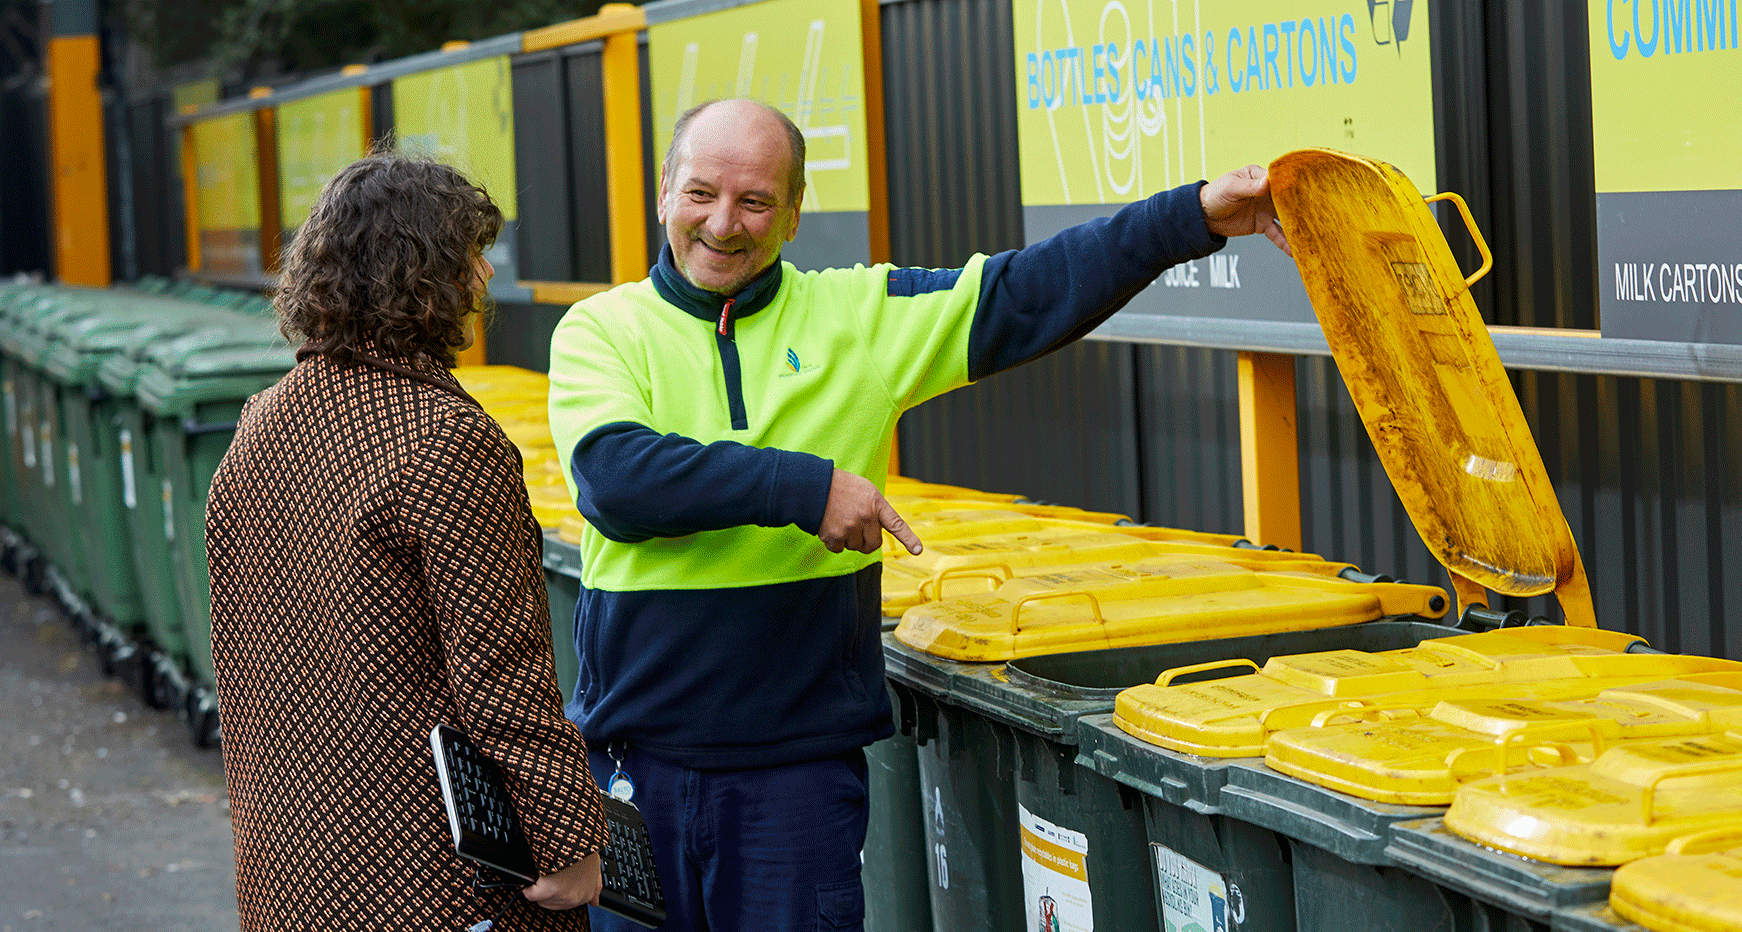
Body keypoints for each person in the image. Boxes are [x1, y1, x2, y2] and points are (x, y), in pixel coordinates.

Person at [546, 98, 1289, 932]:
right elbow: (616, 481)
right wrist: (805, 490)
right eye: (701, 194)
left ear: (793, 213)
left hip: (796, 782)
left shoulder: (857, 317)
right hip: (633, 773)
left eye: (755, 201)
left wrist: (1193, 217)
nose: (723, 224)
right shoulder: (602, 331)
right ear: (663, 194)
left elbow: (1026, 290)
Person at [206, 153, 607, 932]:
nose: (484, 275)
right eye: (470, 255)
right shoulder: (445, 440)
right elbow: (502, 674)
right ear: (423, 273)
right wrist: (567, 840)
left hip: (290, 869)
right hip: (433, 879)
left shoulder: (260, 424)